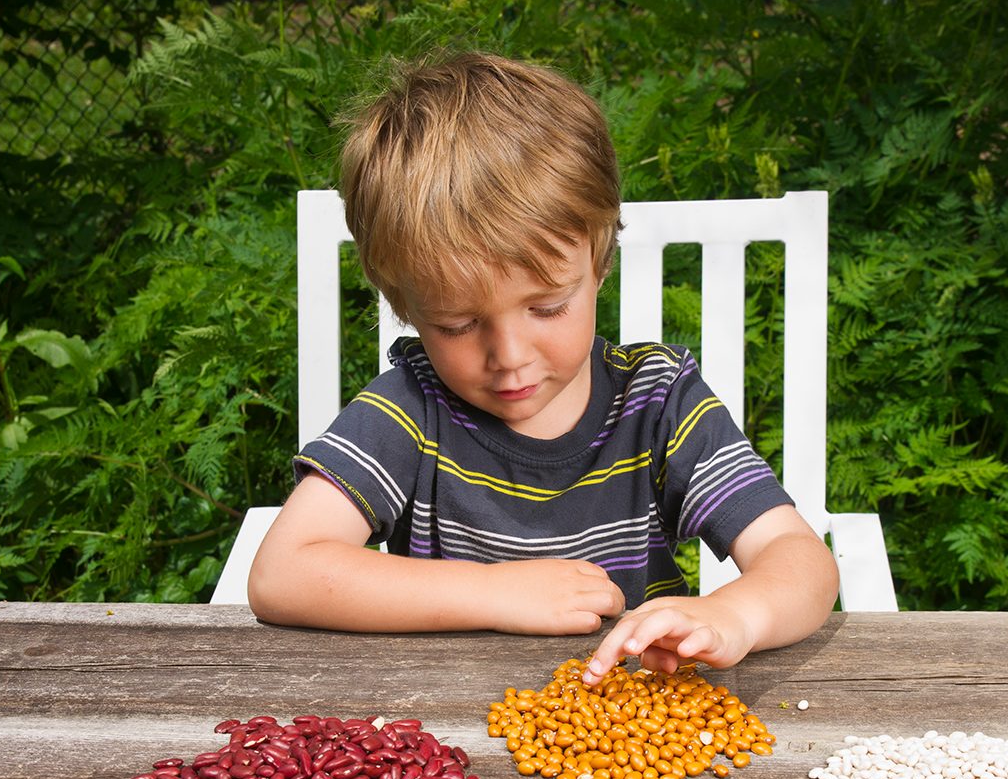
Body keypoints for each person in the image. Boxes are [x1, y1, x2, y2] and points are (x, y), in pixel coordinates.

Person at [247, 51, 839, 684]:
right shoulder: (410, 412)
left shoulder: (657, 402)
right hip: (440, 738)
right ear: (404, 306)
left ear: (600, 261)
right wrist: (495, 591)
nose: (510, 356)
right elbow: (283, 573)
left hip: (631, 735)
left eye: (548, 307)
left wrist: (735, 616)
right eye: (457, 324)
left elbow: (800, 560)